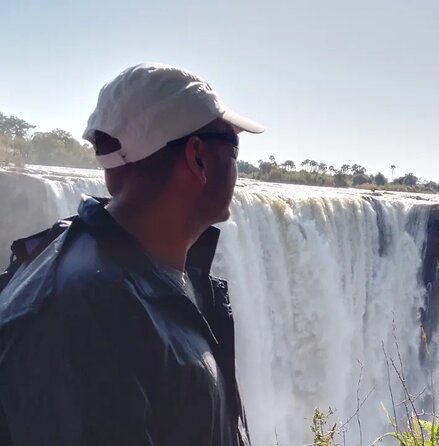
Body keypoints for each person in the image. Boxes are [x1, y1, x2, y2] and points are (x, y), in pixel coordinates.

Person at [0, 63, 264, 445]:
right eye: (234, 148)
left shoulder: (152, 270)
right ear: (198, 158)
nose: (238, 167)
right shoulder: (87, 312)